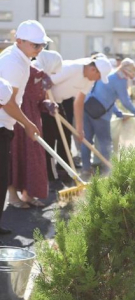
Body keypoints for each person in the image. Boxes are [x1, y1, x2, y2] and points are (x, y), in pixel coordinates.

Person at [0, 19, 46, 238]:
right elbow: (6, 102)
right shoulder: (12, 63)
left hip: (6, 123)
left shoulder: (20, 57)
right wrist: (28, 124)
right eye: (35, 45)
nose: (39, 49)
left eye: (43, 45)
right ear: (19, 41)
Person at [45, 54, 112, 187]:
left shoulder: (89, 79)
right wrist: (48, 103)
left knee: (65, 136)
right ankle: (50, 178)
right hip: (45, 103)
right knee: (50, 139)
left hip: (58, 103)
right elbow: (46, 83)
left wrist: (79, 129)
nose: (98, 79)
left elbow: (79, 102)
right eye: (99, 76)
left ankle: (66, 173)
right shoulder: (72, 68)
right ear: (94, 70)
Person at [8, 50, 62, 208]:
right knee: (15, 156)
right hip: (18, 119)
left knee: (33, 158)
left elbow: (40, 101)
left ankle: (28, 194)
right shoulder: (27, 70)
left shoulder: (43, 78)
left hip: (34, 122)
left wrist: (49, 105)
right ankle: (13, 197)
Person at [81, 58, 135, 177]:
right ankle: (107, 170)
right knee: (105, 142)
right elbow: (125, 101)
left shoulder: (108, 74)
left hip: (87, 108)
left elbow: (106, 96)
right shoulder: (120, 80)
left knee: (86, 141)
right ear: (128, 72)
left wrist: (116, 111)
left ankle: (85, 169)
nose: (129, 79)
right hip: (100, 115)